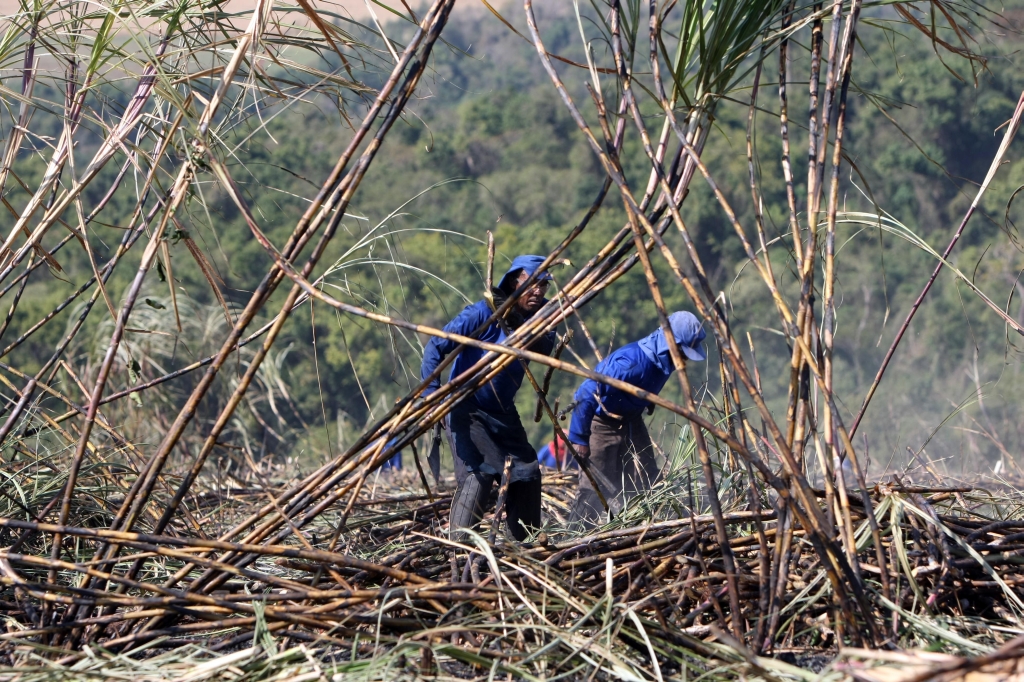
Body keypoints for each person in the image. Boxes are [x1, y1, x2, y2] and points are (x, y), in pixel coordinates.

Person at [420, 255, 555, 541]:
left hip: (502, 412)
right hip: (467, 407)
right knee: (478, 475)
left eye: (543, 285)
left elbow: (546, 348)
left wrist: (530, 332)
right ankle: (459, 547)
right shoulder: (482, 313)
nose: (538, 291)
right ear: (514, 280)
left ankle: (524, 545)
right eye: (532, 284)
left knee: (527, 472)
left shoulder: (542, 317)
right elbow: (436, 344)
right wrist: (430, 396)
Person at [566, 311, 707, 528]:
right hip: (602, 423)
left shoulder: (667, 359)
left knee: (646, 477)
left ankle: (642, 528)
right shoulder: (630, 362)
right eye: (684, 351)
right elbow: (585, 393)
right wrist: (580, 438)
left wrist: (643, 402)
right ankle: (573, 534)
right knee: (594, 487)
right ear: (672, 341)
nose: (686, 357)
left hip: (631, 421)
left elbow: (643, 385)